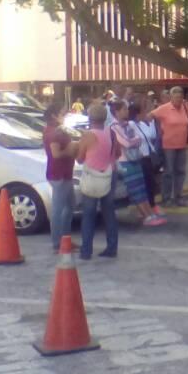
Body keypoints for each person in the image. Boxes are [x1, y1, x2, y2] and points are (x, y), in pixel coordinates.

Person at [76, 103, 119, 260]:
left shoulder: (87, 136)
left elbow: (80, 159)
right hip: (109, 173)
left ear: (90, 118)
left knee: (88, 214)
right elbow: (118, 152)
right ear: (105, 117)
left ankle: (86, 250)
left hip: (92, 176)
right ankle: (112, 247)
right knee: (109, 212)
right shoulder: (112, 133)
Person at [111, 100, 165, 226]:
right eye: (124, 109)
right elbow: (127, 143)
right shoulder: (114, 127)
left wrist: (133, 141)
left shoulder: (128, 125)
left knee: (142, 188)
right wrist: (133, 141)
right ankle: (147, 215)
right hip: (125, 162)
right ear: (117, 112)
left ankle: (149, 213)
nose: (127, 111)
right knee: (136, 189)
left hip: (135, 159)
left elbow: (138, 139)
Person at [43, 103, 78, 252]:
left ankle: (65, 238)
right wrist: (70, 151)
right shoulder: (53, 133)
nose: (64, 116)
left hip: (65, 172)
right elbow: (56, 154)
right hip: (59, 174)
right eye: (62, 113)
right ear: (54, 115)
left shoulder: (57, 131)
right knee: (59, 209)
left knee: (69, 206)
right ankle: (58, 242)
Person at [149, 87, 188, 207]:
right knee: (168, 172)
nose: (179, 99)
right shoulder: (164, 108)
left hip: (182, 145)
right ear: (171, 98)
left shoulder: (184, 107)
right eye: (176, 97)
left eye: (180, 97)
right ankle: (166, 198)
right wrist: (156, 132)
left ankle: (178, 197)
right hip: (168, 146)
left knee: (181, 171)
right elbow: (150, 116)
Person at [130, 102, 164, 218]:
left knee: (151, 183)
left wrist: (152, 122)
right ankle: (147, 207)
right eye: (143, 111)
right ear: (137, 113)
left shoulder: (142, 123)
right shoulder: (131, 125)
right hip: (141, 157)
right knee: (145, 183)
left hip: (149, 156)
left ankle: (152, 204)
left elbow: (152, 135)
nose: (146, 113)